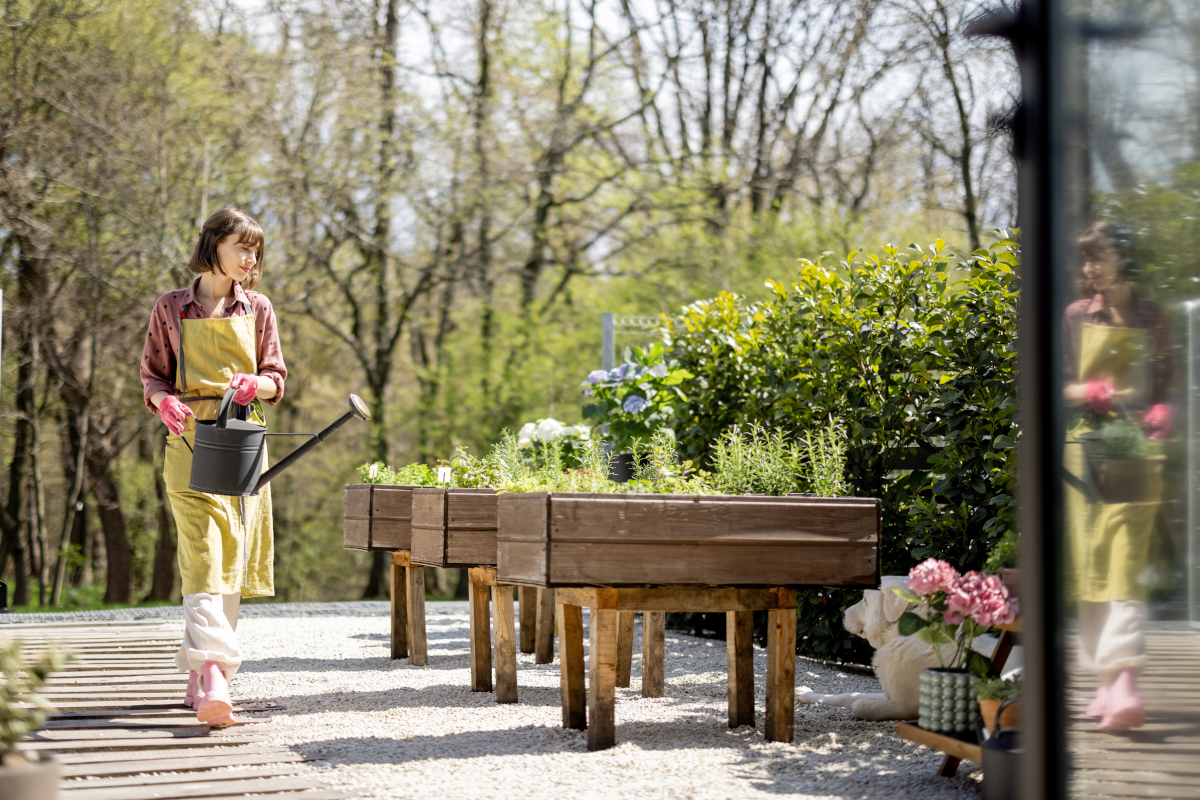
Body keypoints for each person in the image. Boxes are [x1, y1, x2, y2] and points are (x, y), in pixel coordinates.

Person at [140, 208, 287, 727]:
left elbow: (276, 378)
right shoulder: (170, 308)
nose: (251, 259)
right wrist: (164, 403)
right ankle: (216, 675)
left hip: (243, 442)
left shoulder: (260, 308)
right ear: (214, 247)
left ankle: (199, 677)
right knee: (203, 553)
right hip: (187, 441)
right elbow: (153, 378)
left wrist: (256, 384)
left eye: (255, 251)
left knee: (230, 563)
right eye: (242, 247)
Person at [1061, 220, 1173, 733]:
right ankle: (1105, 683)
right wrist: (1089, 392)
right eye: (1085, 259)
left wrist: (1164, 413)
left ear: (1124, 257)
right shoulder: (1077, 316)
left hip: (1137, 449)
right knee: (1093, 566)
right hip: (1087, 444)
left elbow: (1171, 388)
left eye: (1097, 256)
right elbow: (1061, 387)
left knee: (1125, 558)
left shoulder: (1154, 318)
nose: (1089, 269)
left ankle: (1123, 677)